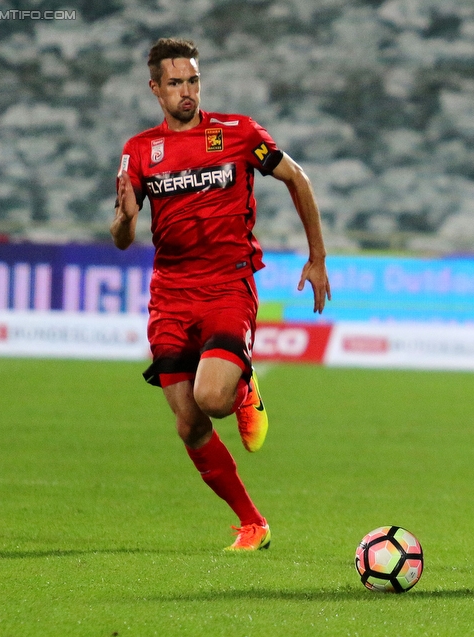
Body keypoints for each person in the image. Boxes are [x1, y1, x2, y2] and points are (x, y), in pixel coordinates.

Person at [111, 38, 331, 551]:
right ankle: (253, 523)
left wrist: (316, 257)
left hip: (228, 283)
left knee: (211, 399)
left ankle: (243, 385)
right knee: (188, 423)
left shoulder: (236, 133)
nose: (186, 92)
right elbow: (122, 238)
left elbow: (296, 177)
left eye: (192, 81)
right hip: (170, 293)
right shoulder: (139, 151)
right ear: (155, 89)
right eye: (174, 83)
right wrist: (124, 221)